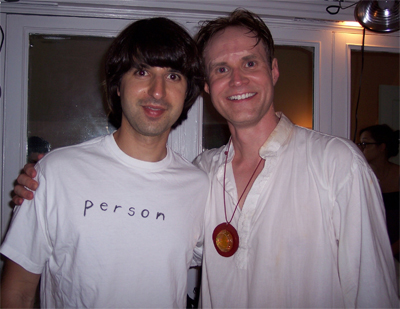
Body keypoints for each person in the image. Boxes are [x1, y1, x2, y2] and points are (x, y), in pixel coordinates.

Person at [10, 9, 400, 308]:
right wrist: (40, 180)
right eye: (220, 68)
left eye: (250, 63)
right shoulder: (204, 174)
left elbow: (375, 295)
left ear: (273, 71)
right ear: (209, 85)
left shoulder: (337, 165)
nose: (237, 80)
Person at [0, 17, 208, 308]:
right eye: (142, 71)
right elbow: (18, 291)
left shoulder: (200, 187)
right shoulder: (56, 172)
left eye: (173, 76)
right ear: (118, 86)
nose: (157, 91)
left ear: (188, 92)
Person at [358, 124, 400, 288]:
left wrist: (390, 250)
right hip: (373, 251)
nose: (361, 148)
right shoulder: (362, 176)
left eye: (365, 143)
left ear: (382, 147)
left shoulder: (398, 175)